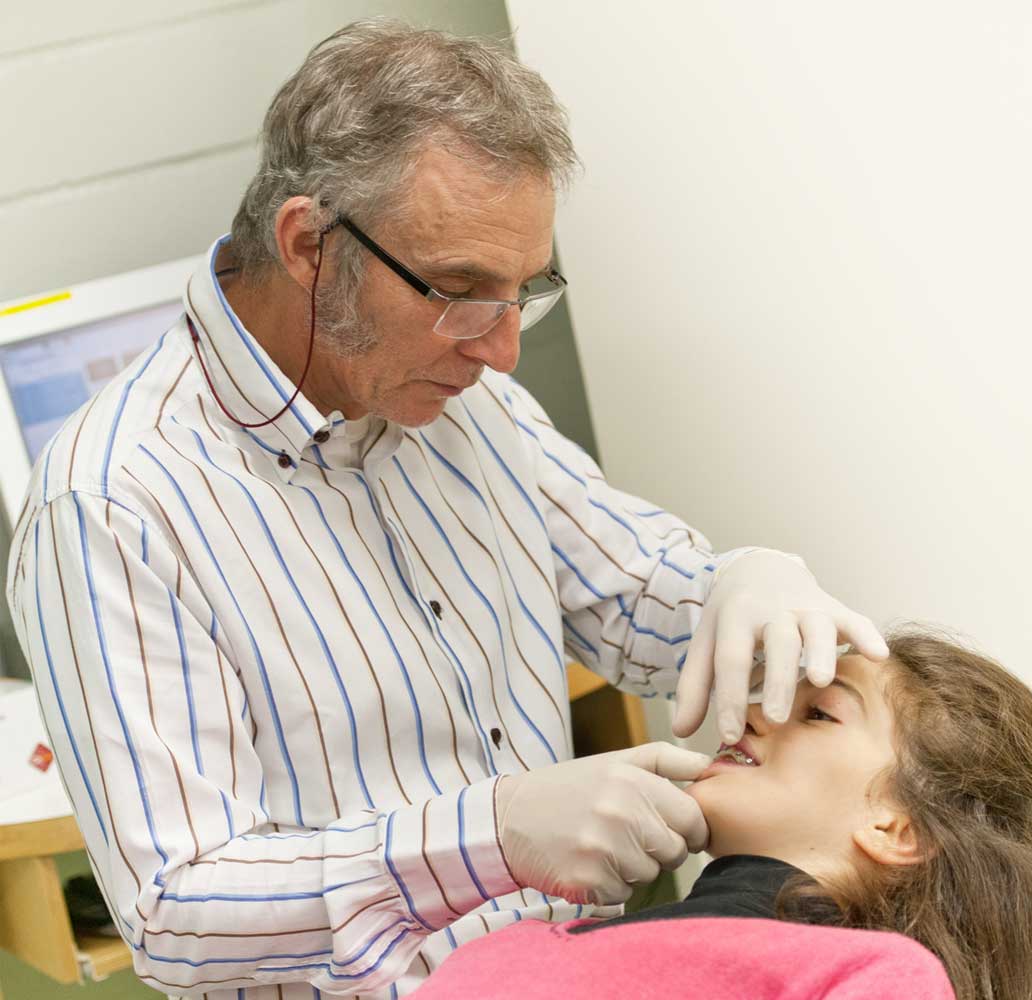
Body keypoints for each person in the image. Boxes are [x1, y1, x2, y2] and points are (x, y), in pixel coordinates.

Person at [0, 19, 887, 999]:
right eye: (461, 291)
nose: (501, 349)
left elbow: (637, 594)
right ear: (308, 244)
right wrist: (490, 837)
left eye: (523, 292)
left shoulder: (470, 408)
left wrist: (738, 587)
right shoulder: (114, 504)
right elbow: (179, 913)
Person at [412, 625, 1032, 1000]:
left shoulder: (875, 979)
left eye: (818, 715)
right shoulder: (504, 954)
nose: (753, 714)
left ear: (897, 828)